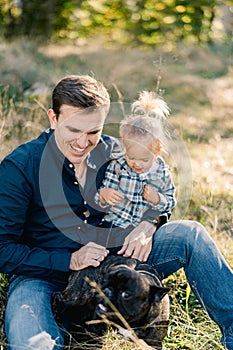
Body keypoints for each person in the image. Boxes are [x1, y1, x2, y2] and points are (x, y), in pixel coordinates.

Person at [0, 75, 232, 350]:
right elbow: (3, 249)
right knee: (31, 343)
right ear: (53, 119)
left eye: (93, 132)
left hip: (117, 260)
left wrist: (150, 224)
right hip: (41, 274)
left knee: (190, 233)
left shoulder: (114, 153)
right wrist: (70, 260)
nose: (83, 142)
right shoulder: (20, 167)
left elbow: (155, 197)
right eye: (74, 130)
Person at [95, 91, 176, 233]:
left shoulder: (161, 170)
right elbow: (101, 199)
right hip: (114, 226)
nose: (136, 164)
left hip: (144, 230)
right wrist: (103, 195)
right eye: (131, 157)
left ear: (156, 152)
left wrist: (157, 199)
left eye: (144, 160)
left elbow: (170, 201)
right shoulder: (118, 166)